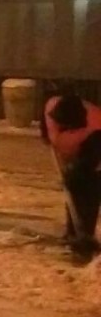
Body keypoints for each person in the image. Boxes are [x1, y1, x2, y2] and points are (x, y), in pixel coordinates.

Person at [42, 92, 101, 257]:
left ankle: (85, 234)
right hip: (74, 154)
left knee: (89, 194)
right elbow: (46, 125)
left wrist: (71, 175)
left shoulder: (96, 128)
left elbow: (87, 163)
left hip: (94, 163)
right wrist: (47, 138)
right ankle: (72, 233)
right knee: (72, 193)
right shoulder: (52, 106)